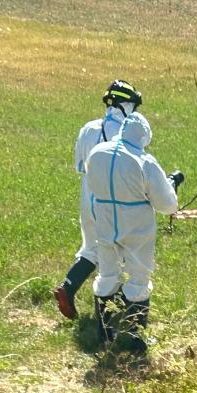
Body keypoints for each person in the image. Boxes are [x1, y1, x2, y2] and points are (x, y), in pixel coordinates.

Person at [84, 111, 183, 353]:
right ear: (143, 137)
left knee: (106, 274)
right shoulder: (144, 161)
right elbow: (166, 204)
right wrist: (171, 184)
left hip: (105, 222)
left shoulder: (97, 153)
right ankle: (137, 338)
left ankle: (104, 333)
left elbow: (92, 184)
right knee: (139, 277)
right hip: (137, 227)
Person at [52, 80, 143, 321]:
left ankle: (68, 287)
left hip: (88, 196)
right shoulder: (130, 133)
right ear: (126, 105)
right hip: (113, 201)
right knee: (117, 252)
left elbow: (79, 166)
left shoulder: (88, 129)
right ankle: (111, 314)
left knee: (91, 249)